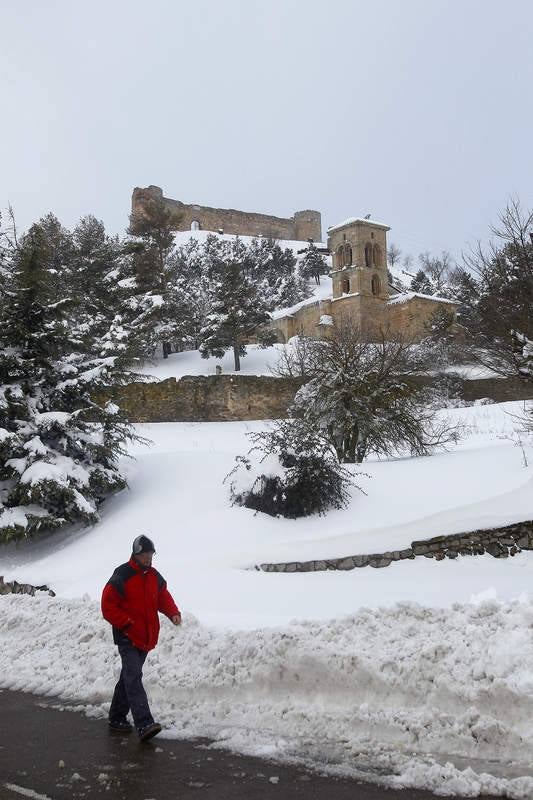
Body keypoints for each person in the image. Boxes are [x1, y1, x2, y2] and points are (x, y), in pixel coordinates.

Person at [101, 534, 181, 741]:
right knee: (134, 676)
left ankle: (117, 717)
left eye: (151, 554)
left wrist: (173, 613)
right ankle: (144, 723)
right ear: (136, 554)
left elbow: (163, 596)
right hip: (127, 636)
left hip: (146, 636)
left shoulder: (154, 576)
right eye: (145, 554)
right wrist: (126, 623)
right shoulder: (122, 575)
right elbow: (107, 606)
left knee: (128, 677)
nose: (148, 558)